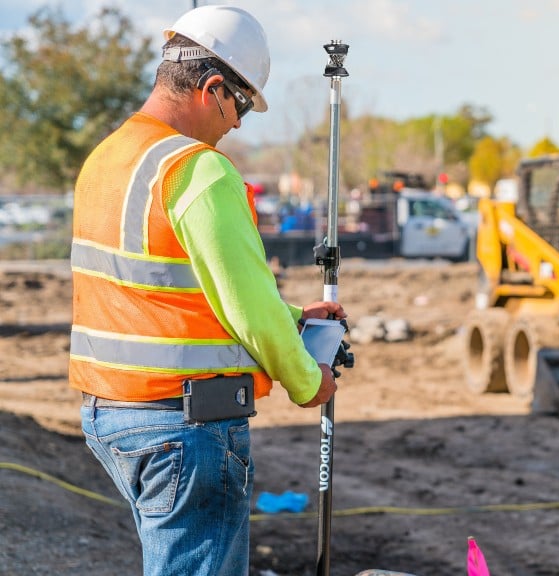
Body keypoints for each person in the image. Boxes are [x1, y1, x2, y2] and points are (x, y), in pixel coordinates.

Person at [69, 6, 342, 575]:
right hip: (185, 430)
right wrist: (307, 379)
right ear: (213, 88)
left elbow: (167, 287)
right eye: (241, 104)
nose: (239, 123)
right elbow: (247, 307)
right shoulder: (198, 170)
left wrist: (292, 316)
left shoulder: (106, 160)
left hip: (112, 417)